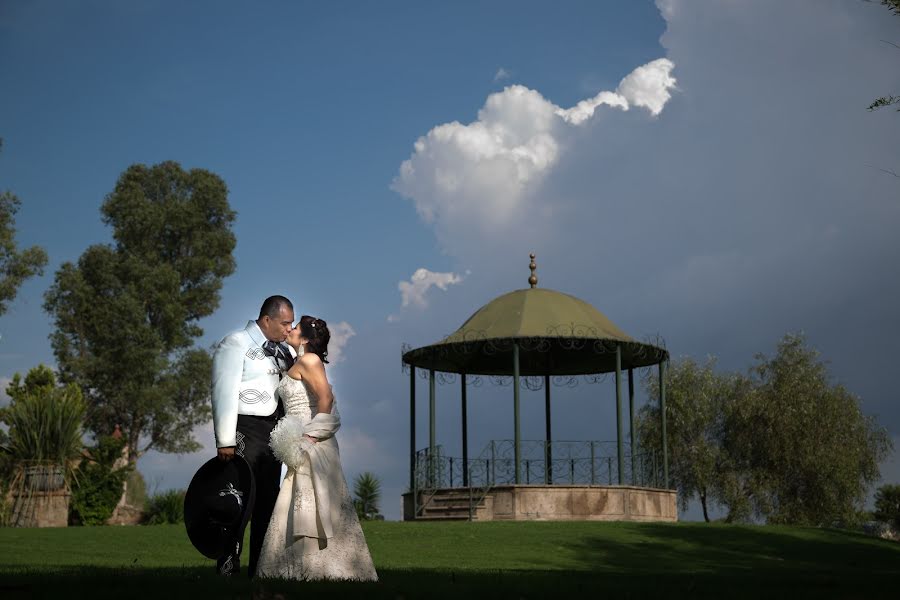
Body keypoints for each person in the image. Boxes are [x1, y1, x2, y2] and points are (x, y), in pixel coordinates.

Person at [256, 315, 378, 581]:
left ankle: (320, 568)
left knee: (312, 499)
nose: (290, 329)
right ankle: (301, 567)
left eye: (296, 328)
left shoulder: (309, 360)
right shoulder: (300, 360)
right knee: (300, 499)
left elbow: (326, 397)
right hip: (298, 437)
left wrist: (310, 437)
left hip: (310, 441)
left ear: (307, 339)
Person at [210, 295, 295, 577]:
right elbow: (223, 391)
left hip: (274, 431)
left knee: (268, 500)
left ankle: (261, 567)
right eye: (285, 323)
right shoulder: (235, 343)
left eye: (291, 324)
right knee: (238, 499)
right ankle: (227, 563)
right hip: (244, 428)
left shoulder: (284, 351)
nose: (288, 329)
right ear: (267, 319)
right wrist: (225, 440)